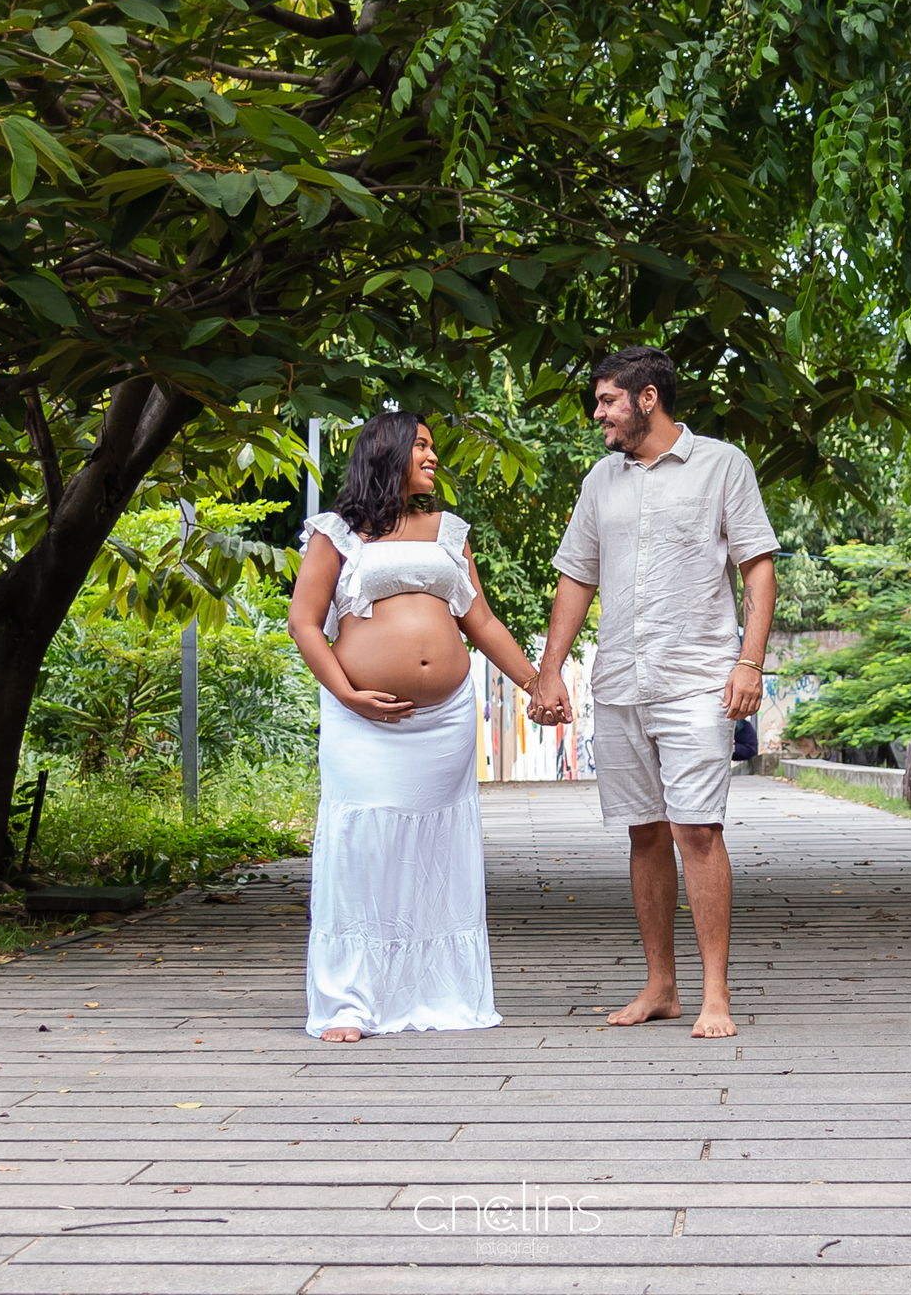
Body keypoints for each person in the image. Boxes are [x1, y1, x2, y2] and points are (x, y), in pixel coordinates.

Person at [531, 346, 778, 1039]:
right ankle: (661, 986)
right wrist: (549, 669)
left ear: (647, 398)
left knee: (695, 829)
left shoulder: (723, 465)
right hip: (620, 681)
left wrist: (750, 663)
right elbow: (576, 577)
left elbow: (758, 569)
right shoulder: (600, 481)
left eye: (607, 400)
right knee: (644, 832)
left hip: (696, 678)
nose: (598, 414)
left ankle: (715, 994)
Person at [288, 411, 539, 1042]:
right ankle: (349, 1002)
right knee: (365, 850)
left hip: (444, 722)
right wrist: (346, 693)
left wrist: (537, 683)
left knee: (434, 854)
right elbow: (304, 622)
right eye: (421, 446)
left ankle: (436, 990)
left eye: (432, 447)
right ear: (388, 452)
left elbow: (481, 622)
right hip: (362, 722)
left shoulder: (448, 531)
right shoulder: (336, 532)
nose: (432, 457)